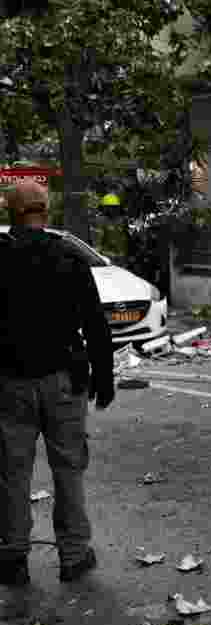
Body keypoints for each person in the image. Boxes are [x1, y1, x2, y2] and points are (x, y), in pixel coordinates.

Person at [0, 181, 115, 585]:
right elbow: (95, 325)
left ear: (11, 213)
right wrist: (105, 378)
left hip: (10, 382)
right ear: (45, 212)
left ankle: (12, 556)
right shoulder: (68, 258)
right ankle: (73, 555)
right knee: (68, 467)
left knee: (12, 470)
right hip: (65, 379)